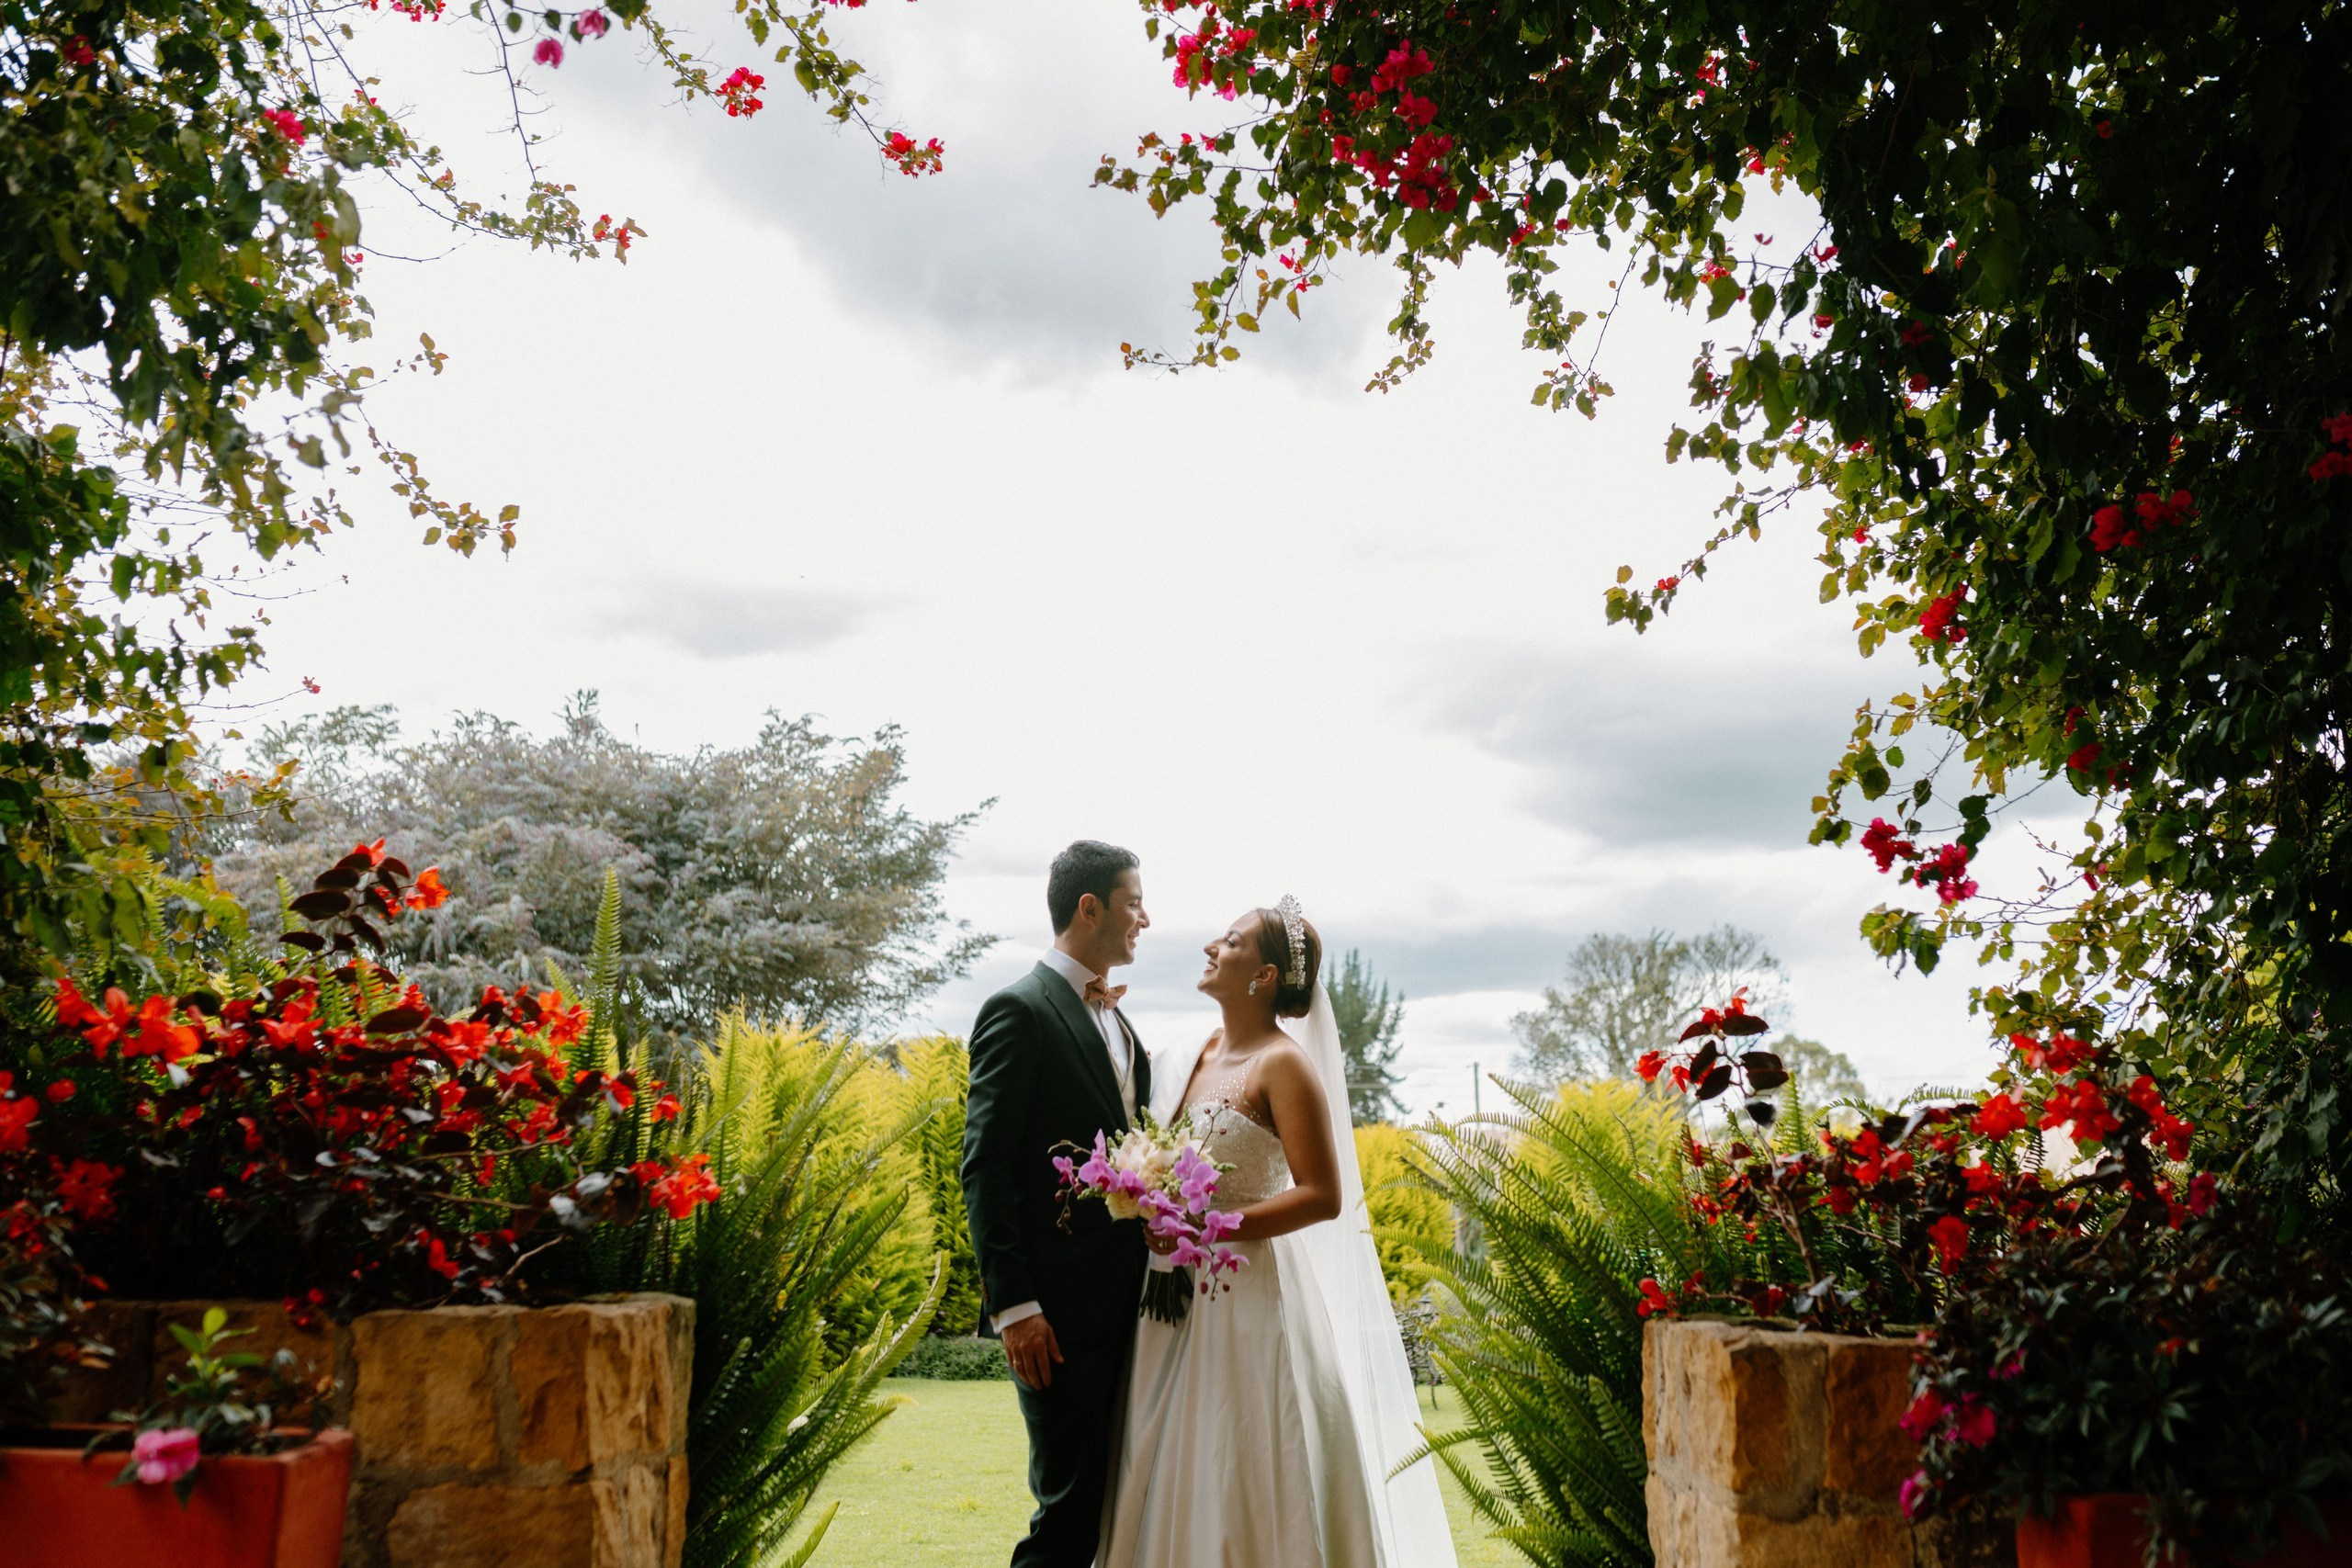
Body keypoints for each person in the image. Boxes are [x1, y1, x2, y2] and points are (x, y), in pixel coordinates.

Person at [1102, 897, 1459, 1568]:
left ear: (1263, 976)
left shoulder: (1282, 1064)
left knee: (1239, 1456)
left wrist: (1210, 1224)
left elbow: (1322, 1195)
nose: (1212, 944)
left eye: (1231, 941)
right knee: (1163, 1454)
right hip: (1172, 1296)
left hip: (1247, 1300)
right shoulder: (1193, 1052)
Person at [961, 840, 1153, 1568]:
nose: (1145, 917)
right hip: (1057, 1320)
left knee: (1114, 1503)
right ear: (1090, 907)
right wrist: (1016, 1308)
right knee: (1068, 1512)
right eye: (1135, 901)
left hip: (1127, 1308)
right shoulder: (1020, 1010)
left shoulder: (1123, 1026)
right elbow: (987, 1166)